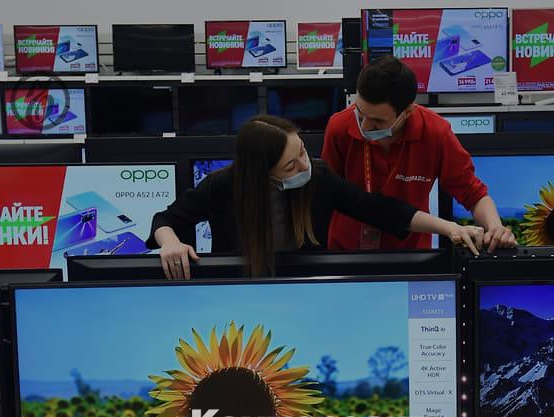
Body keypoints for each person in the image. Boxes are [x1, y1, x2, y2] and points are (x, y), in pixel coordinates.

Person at [149, 115, 484, 279]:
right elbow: (165, 221)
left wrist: (449, 228)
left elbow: (378, 209)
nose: (304, 165)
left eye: (302, 151)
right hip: (242, 289)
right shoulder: (222, 185)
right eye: (291, 165)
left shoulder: (319, 177)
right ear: (261, 173)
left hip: (307, 285)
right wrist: (171, 243)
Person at [322, 55, 516, 252]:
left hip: (411, 253)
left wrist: (495, 228)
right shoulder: (339, 127)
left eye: (377, 121)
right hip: (346, 250)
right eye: (360, 113)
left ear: (407, 112)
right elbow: (327, 192)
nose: (364, 126)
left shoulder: (435, 132)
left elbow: (472, 193)